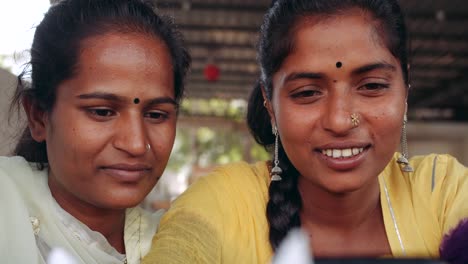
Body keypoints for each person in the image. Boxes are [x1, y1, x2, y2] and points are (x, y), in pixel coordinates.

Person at [143, 0, 468, 263]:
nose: (340, 121)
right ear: (270, 104)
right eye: (307, 93)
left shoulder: (443, 191)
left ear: (405, 91)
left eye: (371, 86)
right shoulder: (224, 205)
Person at [0, 0, 190, 263]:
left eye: (156, 115)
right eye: (102, 112)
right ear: (39, 116)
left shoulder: (185, 243)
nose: (136, 144)